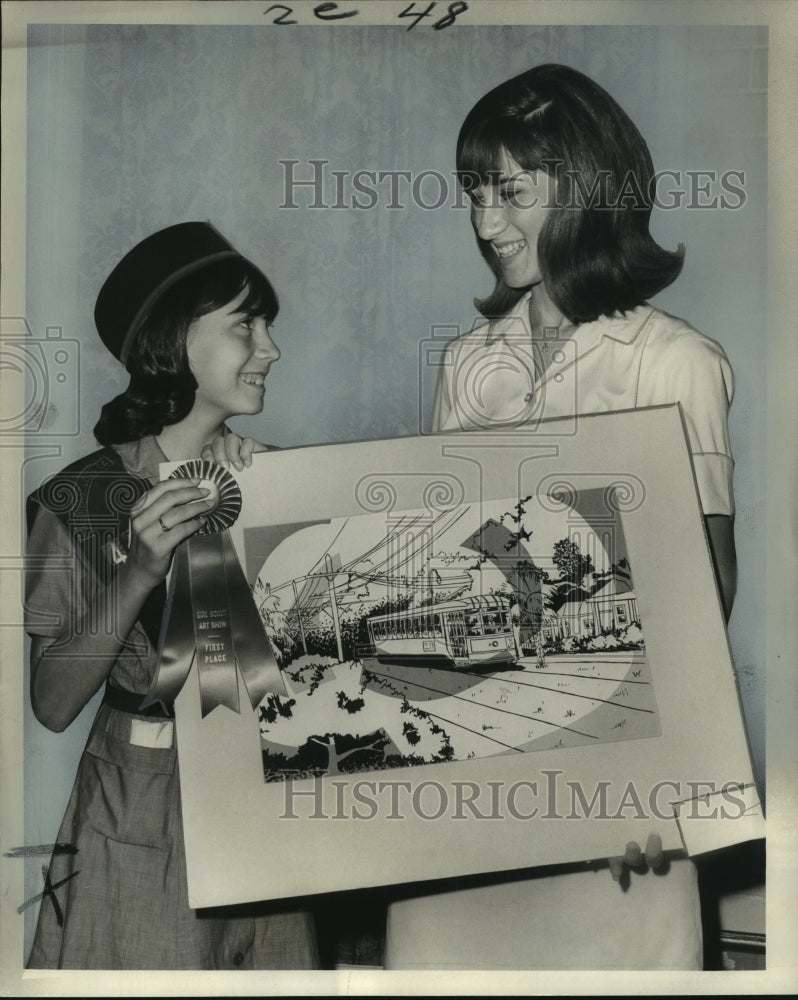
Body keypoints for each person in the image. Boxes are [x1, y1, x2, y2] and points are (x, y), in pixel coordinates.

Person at [384, 64, 736, 970]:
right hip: (470, 779)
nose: (485, 222)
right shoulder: (467, 363)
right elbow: (443, 558)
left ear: (584, 186)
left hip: (613, 790)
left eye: (509, 192)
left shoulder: (674, 361)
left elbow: (709, 595)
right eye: (473, 192)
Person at [25, 222, 319, 969]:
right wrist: (139, 571)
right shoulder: (82, 500)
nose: (271, 349)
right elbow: (53, 703)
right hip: (139, 806)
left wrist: (268, 504)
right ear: (174, 341)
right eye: (246, 325)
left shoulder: (280, 480)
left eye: (269, 326)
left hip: (272, 796)